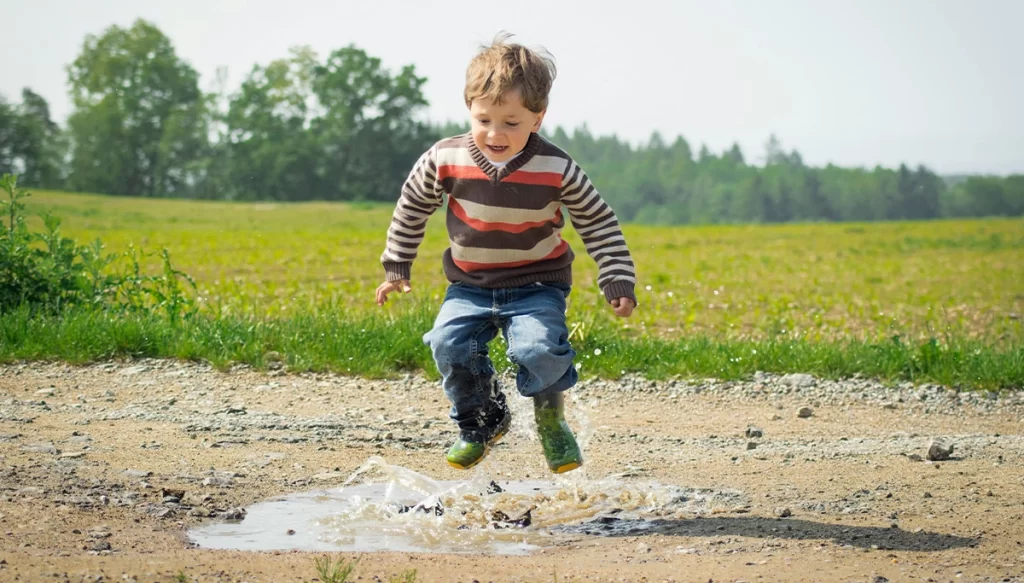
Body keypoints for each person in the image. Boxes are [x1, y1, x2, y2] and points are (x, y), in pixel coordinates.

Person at [375, 33, 637, 474]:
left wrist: (616, 277)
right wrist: (396, 264)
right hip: (469, 285)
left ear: (538, 118)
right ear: (470, 109)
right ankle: (482, 420)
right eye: (484, 120)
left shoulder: (558, 168)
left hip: (538, 284)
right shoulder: (445, 157)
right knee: (448, 344)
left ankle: (551, 418)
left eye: (511, 123)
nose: (495, 134)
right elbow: (412, 205)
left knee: (537, 350)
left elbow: (598, 221)